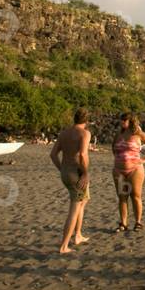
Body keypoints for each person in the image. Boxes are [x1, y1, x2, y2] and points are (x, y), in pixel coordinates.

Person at [50, 107, 91, 254]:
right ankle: (64, 246)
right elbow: (82, 155)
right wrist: (85, 173)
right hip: (77, 173)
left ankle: (78, 235)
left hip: (66, 172)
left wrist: (61, 168)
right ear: (86, 121)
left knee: (82, 201)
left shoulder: (64, 133)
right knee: (74, 208)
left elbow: (53, 154)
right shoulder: (85, 133)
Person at [112, 113, 145, 232]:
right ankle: (123, 223)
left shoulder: (138, 134)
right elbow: (113, 148)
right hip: (119, 170)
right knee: (122, 197)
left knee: (135, 196)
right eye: (121, 120)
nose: (121, 122)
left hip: (135, 169)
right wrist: (120, 159)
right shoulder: (118, 134)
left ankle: (138, 222)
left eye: (124, 120)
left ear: (130, 121)